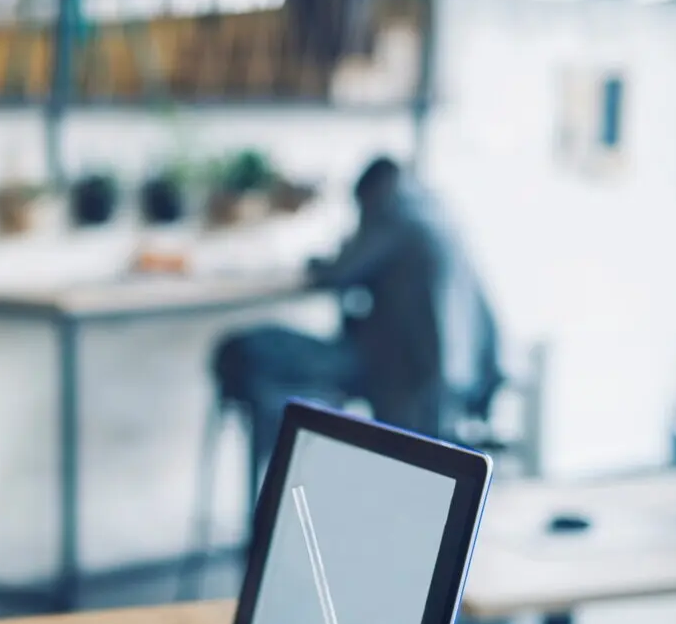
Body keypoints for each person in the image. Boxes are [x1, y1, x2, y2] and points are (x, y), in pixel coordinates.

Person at [212, 156, 501, 465]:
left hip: (398, 371)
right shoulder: (436, 213)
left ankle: (287, 455)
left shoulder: (393, 215)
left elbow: (337, 273)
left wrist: (321, 259)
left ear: (370, 193)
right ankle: (295, 446)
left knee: (244, 350)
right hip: (448, 373)